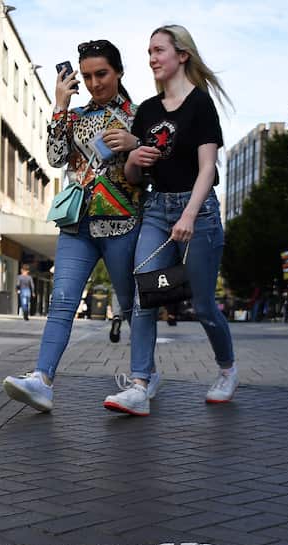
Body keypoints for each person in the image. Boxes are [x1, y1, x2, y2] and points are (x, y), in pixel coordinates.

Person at [2, 39, 144, 413]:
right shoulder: (76, 116)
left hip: (121, 223)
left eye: (102, 74)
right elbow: (54, 158)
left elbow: (155, 162)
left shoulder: (139, 115)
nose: (95, 83)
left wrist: (134, 142)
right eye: (87, 76)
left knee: (131, 306)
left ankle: (145, 379)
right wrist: (60, 106)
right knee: (63, 301)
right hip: (77, 225)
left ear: (119, 72)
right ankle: (42, 380)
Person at [105, 24, 236, 415]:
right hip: (157, 210)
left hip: (199, 212)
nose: (152, 58)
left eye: (159, 50)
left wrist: (190, 216)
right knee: (146, 294)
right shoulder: (146, 111)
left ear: (182, 55)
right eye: (149, 52)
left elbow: (207, 169)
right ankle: (140, 384)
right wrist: (132, 159)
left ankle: (227, 370)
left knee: (202, 304)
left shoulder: (200, 105)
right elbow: (133, 177)